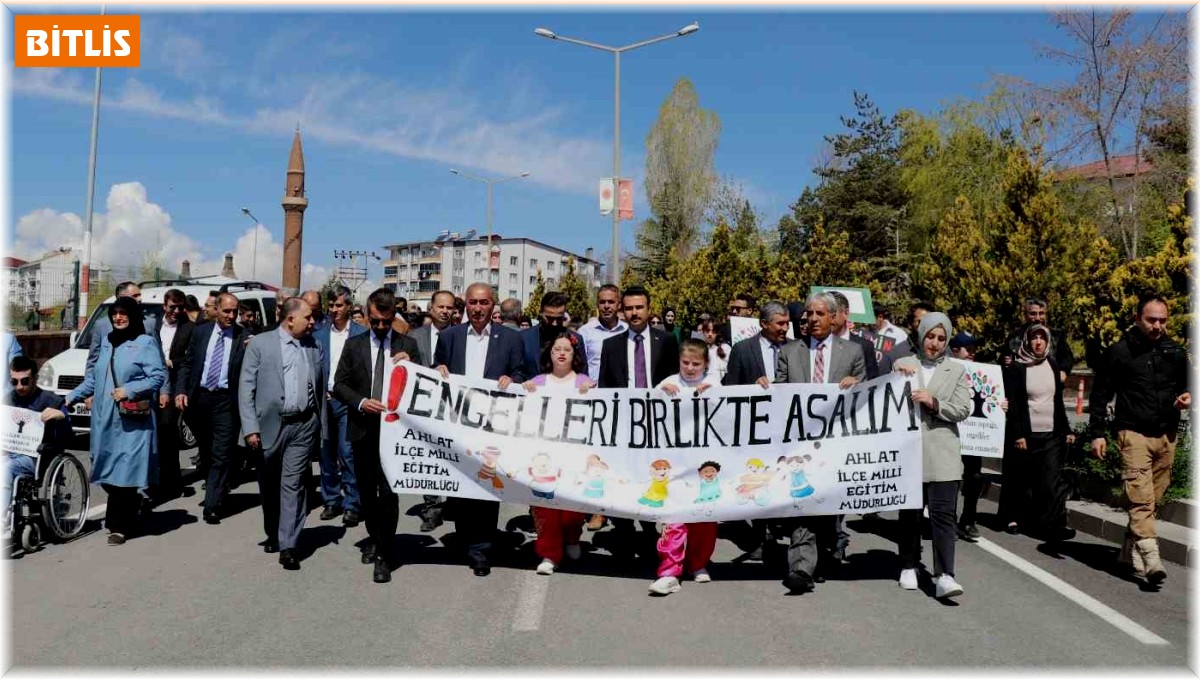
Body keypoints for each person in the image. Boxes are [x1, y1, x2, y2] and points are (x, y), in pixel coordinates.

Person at [1088, 294, 1191, 585]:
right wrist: (1097, 433)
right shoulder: (1119, 352)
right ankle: (1151, 557)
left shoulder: (1175, 352)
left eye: (1162, 320)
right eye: (1151, 320)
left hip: (1166, 435)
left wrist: (1187, 398)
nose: (1158, 325)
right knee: (1141, 499)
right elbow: (1100, 396)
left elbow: (1187, 386)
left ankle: (1126, 551)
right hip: (1132, 433)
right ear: (1137, 319)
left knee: (1152, 499)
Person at [773, 291, 866, 593]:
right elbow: (779, 393)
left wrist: (857, 384)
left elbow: (867, 398)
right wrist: (765, 387)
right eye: (809, 314)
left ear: (834, 317)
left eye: (819, 314)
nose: (812, 319)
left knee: (828, 509)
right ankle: (800, 568)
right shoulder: (790, 351)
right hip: (800, 443)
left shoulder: (852, 353)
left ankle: (825, 554)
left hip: (836, 444)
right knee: (802, 503)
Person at [434, 282, 524, 577]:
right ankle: (464, 539)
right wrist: (439, 371)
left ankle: (482, 550)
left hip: (492, 426)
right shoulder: (449, 336)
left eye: (484, 303)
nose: (477, 308)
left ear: (492, 306)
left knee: (487, 485)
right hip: (457, 424)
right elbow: (437, 367)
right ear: (465, 305)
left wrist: (512, 380)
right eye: (472, 302)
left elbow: (522, 371)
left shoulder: (510, 339)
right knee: (461, 486)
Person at [333, 287, 421, 584]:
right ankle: (375, 536)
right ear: (368, 316)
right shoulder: (354, 345)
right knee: (368, 494)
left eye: (387, 321)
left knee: (389, 493)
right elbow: (340, 384)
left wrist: (412, 367)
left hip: (394, 433)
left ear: (394, 316)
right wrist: (360, 401)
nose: (381, 327)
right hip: (363, 429)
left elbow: (424, 388)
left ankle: (385, 553)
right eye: (375, 322)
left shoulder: (407, 345)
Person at [65, 296, 166, 545]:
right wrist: (70, 397)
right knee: (105, 470)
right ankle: (132, 503)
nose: (118, 317)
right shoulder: (108, 344)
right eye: (114, 314)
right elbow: (94, 379)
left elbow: (157, 377)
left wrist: (129, 390)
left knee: (125, 470)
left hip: (131, 420)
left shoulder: (145, 343)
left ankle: (119, 525)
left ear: (132, 315)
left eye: (123, 313)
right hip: (104, 419)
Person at [239, 297, 326, 571]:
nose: (313, 322)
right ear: (290, 319)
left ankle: (289, 545)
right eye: (308, 317)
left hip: (302, 426)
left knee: (294, 485)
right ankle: (273, 531)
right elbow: (246, 388)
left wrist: (317, 421)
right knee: (269, 485)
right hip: (268, 427)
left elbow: (320, 386)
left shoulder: (314, 346)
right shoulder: (260, 345)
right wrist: (250, 428)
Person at [891, 312, 972, 599]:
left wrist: (935, 402)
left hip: (943, 453)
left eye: (941, 338)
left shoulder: (956, 370)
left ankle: (944, 575)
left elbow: (964, 408)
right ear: (921, 335)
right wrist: (896, 372)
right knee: (910, 514)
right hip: (909, 452)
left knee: (943, 516)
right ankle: (909, 565)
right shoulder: (903, 365)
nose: (935, 343)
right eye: (930, 336)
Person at [597, 285, 680, 560]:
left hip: (657, 426)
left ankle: (649, 533)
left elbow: (674, 380)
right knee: (623, 480)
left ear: (648, 308)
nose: (634, 313)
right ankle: (623, 534)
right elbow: (606, 387)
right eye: (629, 308)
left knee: (651, 479)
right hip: (624, 427)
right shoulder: (611, 345)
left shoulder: (666, 341)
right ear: (623, 310)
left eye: (639, 307)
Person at [648, 338, 720, 595]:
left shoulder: (714, 385)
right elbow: (648, 411)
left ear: (705, 364)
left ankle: (698, 563)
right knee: (675, 518)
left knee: (704, 518)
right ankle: (670, 570)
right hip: (675, 464)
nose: (690, 368)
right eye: (685, 363)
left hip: (703, 464)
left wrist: (711, 396)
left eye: (696, 364)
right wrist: (660, 394)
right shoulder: (668, 382)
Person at [522, 331, 593, 576]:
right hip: (544, 455)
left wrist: (591, 392)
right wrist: (525, 390)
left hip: (574, 455)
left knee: (571, 510)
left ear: (574, 355)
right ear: (549, 354)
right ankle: (549, 553)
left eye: (567, 349)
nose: (561, 353)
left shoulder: (584, 382)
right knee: (545, 507)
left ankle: (573, 537)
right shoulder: (538, 382)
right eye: (556, 349)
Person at [175, 293, 248, 524]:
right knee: (206, 451)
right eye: (227, 311)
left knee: (221, 453)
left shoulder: (243, 336)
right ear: (216, 310)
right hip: (200, 400)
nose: (231, 316)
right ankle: (219, 486)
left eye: (235, 311)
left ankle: (212, 505)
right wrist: (181, 390)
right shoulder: (201, 333)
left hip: (227, 401)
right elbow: (188, 364)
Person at [999, 324, 1076, 542]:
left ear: (1048, 342)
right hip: (1026, 433)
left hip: (1051, 433)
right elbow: (1013, 404)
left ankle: (1052, 525)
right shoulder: (1017, 368)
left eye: (1043, 338)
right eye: (1034, 338)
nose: (1038, 342)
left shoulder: (1052, 364)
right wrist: (1018, 434)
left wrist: (1066, 428)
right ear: (1027, 341)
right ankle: (1013, 518)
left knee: (1051, 481)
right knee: (1021, 480)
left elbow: (1057, 400)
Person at [314, 285, 368, 528]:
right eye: (332, 305)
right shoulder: (318, 334)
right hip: (324, 401)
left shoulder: (360, 333)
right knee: (326, 453)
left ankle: (352, 504)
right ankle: (332, 500)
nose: (335, 310)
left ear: (349, 306)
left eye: (339, 305)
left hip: (348, 401)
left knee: (347, 454)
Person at [408, 289, 456, 532]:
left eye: (449, 308)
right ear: (431, 307)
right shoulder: (415, 336)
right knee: (428, 456)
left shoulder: (462, 335)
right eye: (441, 307)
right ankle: (431, 508)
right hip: (425, 406)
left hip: (454, 407)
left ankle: (455, 504)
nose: (445, 311)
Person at [4, 356, 72, 529]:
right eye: (14, 381)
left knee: (6, 469)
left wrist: (61, 416)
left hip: (37, 458)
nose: (19, 386)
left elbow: (68, 434)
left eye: (25, 381)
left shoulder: (51, 400)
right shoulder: (7, 399)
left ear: (35, 379)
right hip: (10, 452)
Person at [152, 289, 194, 503]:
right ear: (164, 306)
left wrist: (172, 363)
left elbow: (190, 360)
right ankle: (156, 480)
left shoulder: (189, 328)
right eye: (172, 307)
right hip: (152, 384)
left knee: (167, 430)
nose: (176, 311)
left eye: (180, 307)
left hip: (175, 383)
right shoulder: (153, 325)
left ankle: (172, 482)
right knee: (154, 434)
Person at [86, 282, 154, 380]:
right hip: (108, 385)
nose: (140, 299)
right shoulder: (102, 325)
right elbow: (93, 360)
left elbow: (158, 363)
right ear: (121, 297)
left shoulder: (149, 323)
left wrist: (164, 391)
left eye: (139, 295)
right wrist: (91, 387)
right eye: (135, 296)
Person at [1003, 297, 1075, 382]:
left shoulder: (1056, 337)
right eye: (1033, 314)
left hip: (1049, 386)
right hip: (1022, 388)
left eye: (1041, 313)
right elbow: (1004, 362)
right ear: (1025, 315)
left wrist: (1062, 372)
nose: (1037, 318)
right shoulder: (1014, 338)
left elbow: (1067, 359)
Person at [520, 292, 585, 378]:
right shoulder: (524, 337)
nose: (554, 323)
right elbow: (517, 371)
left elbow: (582, 373)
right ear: (541, 312)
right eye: (549, 318)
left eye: (559, 318)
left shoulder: (576, 339)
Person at [578, 284, 628, 384]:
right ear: (597, 304)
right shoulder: (585, 332)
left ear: (619, 305)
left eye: (611, 302)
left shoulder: (627, 330)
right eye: (602, 302)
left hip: (623, 393)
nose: (606, 306)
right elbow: (578, 365)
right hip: (594, 393)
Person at [829, 291, 880, 380]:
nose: (826, 319)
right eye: (822, 314)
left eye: (832, 314)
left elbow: (873, 384)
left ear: (846, 313)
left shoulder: (864, 347)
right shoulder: (811, 345)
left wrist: (857, 382)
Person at [879, 301, 934, 374]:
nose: (925, 325)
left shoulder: (946, 353)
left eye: (930, 321)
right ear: (909, 324)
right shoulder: (895, 354)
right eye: (920, 321)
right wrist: (897, 376)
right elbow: (881, 382)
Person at [698, 317, 731, 383]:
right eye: (707, 331)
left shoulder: (725, 348)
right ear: (703, 332)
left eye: (713, 331)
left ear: (717, 333)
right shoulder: (698, 349)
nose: (710, 334)